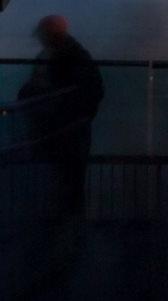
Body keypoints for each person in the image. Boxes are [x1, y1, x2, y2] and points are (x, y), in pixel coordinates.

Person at [18, 13, 105, 215]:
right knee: (68, 190)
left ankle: (60, 234)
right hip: (70, 135)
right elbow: (94, 93)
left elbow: (35, 91)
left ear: (50, 36)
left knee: (62, 189)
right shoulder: (77, 58)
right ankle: (67, 234)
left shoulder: (64, 60)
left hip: (62, 136)